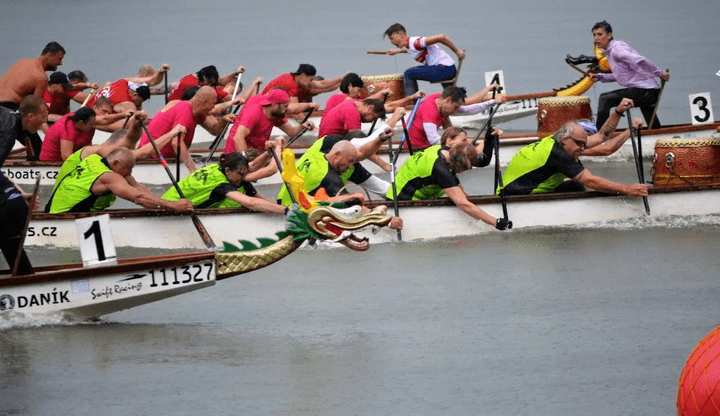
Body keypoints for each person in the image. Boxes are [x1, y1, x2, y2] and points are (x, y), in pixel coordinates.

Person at [499, 121, 649, 197]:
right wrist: (627, 189)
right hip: (517, 196)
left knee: (573, 180)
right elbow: (590, 180)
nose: (583, 148)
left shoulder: (554, 141)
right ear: (565, 139)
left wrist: (624, 120)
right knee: (578, 184)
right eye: (580, 144)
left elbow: (603, 142)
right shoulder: (559, 155)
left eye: (585, 143)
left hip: (507, 190)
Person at [276, 128, 403, 216]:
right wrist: (384, 220)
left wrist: (380, 139)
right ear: (339, 153)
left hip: (297, 199)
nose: (351, 165)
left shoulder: (326, 148)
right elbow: (352, 204)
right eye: (351, 160)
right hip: (293, 209)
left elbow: (381, 187)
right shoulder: (327, 174)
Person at [387, 141, 510, 230]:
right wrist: (496, 222)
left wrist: (489, 139)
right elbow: (464, 205)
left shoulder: (442, 149)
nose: (463, 172)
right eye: (465, 168)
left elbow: (456, 184)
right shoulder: (440, 169)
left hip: (399, 188)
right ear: (460, 164)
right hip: (403, 200)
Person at [46, 147, 193, 214]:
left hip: (51, 210)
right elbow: (139, 198)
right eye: (129, 168)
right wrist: (173, 206)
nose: (130, 173)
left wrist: (162, 203)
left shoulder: (94, 158)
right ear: (115, 163)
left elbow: (136, 185)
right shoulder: (109, 177)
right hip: (65, 217)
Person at [588, 20, 669, 130]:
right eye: (594, 35)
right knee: (652, 123)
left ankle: (598, 136)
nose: (596, 39)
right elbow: (622, 75)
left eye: (600, 34)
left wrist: (659, 73)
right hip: (648, 91)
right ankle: (657, 133)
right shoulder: (611, 50)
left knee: (605, 99)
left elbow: (640, 60)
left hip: (647, 91)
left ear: (609, 35)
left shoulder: (616, 49)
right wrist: (601, 77)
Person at [0, 96, 48, 274]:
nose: (44, 122)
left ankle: (22, 274)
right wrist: (14, 195)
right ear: (30, 116)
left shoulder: (10, 116)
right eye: (43, 116)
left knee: (14, 205)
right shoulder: (8, 131)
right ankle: (24, 276)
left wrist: (16, 191)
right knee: (14, 208)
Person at [136, 86, 234, 173]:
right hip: (151, 157)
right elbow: (176, 143)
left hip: (168, 157)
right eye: (213, 103)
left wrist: (224, 120)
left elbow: (215, 130)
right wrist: (192, 170)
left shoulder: (197, 113)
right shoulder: (185, 109)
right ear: (205, 102)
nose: (213, 107)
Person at [162, 149, 287, 214]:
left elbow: (253, 166)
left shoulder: (216, 167)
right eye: (241, 174)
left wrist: (269, 152)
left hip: (165, 201)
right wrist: (286, 211)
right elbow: (251, 203)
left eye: (245, 174)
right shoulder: (221, 185)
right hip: (171, 209)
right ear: (228, 170)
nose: (243, 177)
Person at [408, 86, 506, 149]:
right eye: (455, 107)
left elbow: (467, 110)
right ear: (448, 100)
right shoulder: (430, 109)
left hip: (426, 144)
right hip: (415, 147)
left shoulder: (440, 98)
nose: (455, 112)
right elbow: (434, 140)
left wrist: (492, 102)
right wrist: (458, 144)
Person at [382, 23, 465, 96]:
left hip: (444, 69)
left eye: (391, 38)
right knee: (451, 96)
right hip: (446, 69)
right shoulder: (410, 46)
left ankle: (412, 102)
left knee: (409, 73)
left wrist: (457, 51)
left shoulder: (417, 43)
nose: (391, 42)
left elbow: (442, 37)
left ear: (400, 34)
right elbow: (409, 50)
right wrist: (396, 51)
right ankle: (464, 101)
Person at [224, 88, 314, 153]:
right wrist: (246, 159)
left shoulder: (276, 114)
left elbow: (291, 132)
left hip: (255, 152)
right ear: (274, 105)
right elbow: (238, 137)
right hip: (236, 152)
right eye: (285, 106)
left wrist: (303, 126)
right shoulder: (254, 113)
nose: (287, 109)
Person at [0, 42, 66, 109]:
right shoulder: (41, 77)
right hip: (8, 107)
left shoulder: (22, 62)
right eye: (60, 59)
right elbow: (35, 107)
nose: (60, 63)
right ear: (49, 55)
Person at [324, 72, 424, 114]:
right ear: (350, 86)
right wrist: (380, 93)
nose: (359, 94)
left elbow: (388, 107)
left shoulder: (353, 101)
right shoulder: (337, 98)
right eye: (358, 91)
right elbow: (366, 102)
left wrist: (412, 97)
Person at [166, 65, 245, 103]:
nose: (210, 85)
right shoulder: (193, 86)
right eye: (210, 83)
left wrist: (236, 73)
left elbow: (220, 81)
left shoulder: (190, 76)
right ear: (206, 79)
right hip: (175, 111)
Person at [85, 78, 151, 117]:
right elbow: (136, 120)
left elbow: (107, 83)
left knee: (108, 83)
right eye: (140, 101)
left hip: (87, 106)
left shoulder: (122, 82)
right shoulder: (127, 103)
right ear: (135, 95)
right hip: (93, 116)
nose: (140, 104)